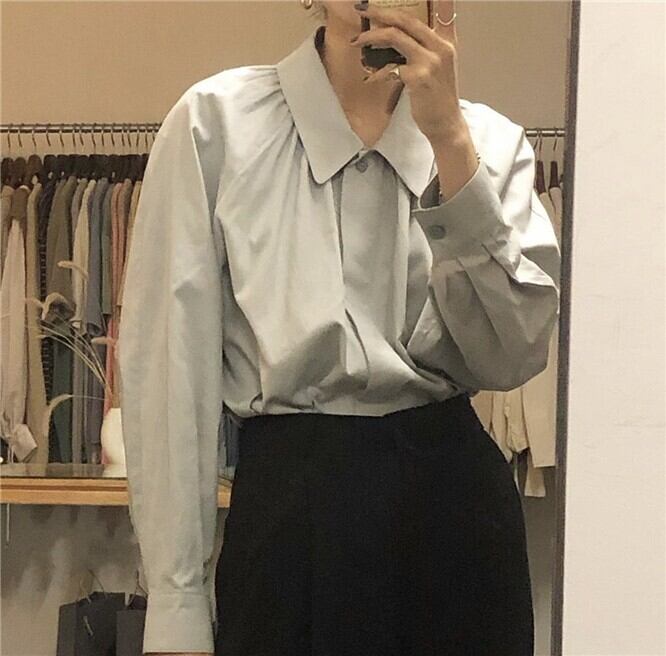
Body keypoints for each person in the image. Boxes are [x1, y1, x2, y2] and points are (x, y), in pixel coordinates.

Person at [117, 1, 561, 655]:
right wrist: (176, 603)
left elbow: (515, 354)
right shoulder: (216, 126)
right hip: (290, 517)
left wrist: (448, 140)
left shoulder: (488, 143)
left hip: (456, 523)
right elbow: (169, 370)